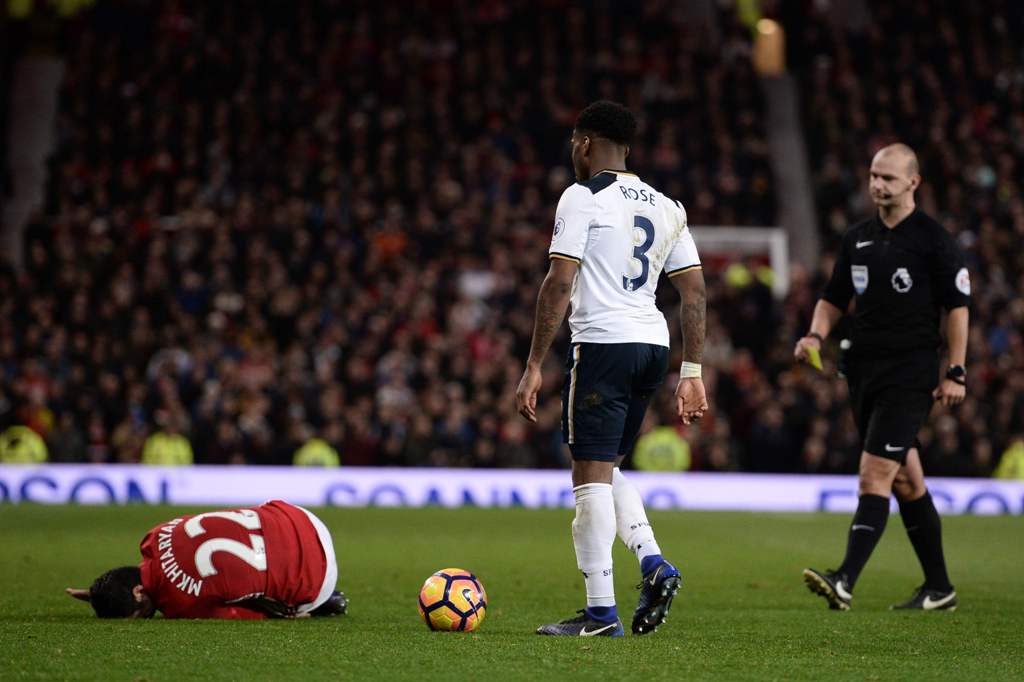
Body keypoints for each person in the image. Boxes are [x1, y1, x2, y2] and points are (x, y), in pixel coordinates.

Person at [515, 100, 708, 636]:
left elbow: (558, 282)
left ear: (583, 143)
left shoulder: (582, 196)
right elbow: (692, 290)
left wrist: (533, 365)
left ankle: (601, 613)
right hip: (653, 346)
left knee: (588, 481)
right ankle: (651, 560)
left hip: (602, 343)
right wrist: (691, 369)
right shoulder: (668, 205)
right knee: (606, 468)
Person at [795, 144, 969, 611]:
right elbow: (833, 297)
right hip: (862, 373)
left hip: (909, 375)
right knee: (907, 483)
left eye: (888, 178)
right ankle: (939, 588)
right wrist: (815, 334)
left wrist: (955, 370)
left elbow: (957, 307)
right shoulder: (858, 237)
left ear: (913, 183)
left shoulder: (933, 240)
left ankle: (845, 580)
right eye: (873, 175)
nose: (877, 184)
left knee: (874, 474)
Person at [66, 499, 348, 619]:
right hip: (300, 516)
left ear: (139, 592)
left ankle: (319, 604)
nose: (150, 616)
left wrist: (287, 614)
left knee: (241, 594)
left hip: (318, 577)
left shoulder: (178, 604)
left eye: (141, 615)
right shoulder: (154, 535)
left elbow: (237, 615)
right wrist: (99, 592)